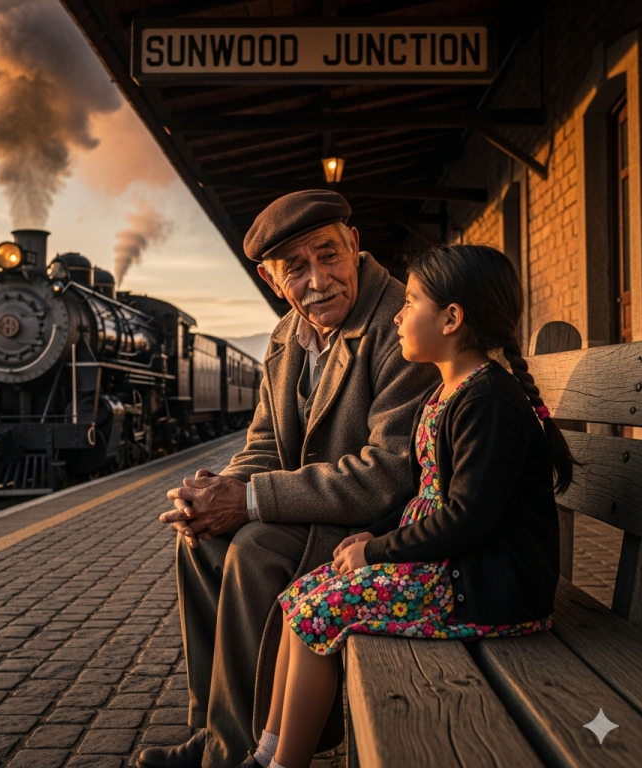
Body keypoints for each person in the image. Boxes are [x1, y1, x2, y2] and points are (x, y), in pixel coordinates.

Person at [240, 243, 575, 768]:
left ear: (451, 319)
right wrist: (372, 536)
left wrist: (378, 554)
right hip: (452, 570)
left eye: (411, 301)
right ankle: (265, 753)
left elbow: (465, 518)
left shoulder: (488, 403)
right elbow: (427, 494)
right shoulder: (447, 394)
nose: (397, 314)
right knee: (297, 596)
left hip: (490, 589)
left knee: (314, 615)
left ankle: (285, 765)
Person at [140, 190, 439, 768]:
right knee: (199, 541)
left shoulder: (402, 324)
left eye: (328, 255)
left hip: (377, 527)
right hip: (317, 513)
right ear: (272, 280)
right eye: (295, 269)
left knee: (253, 547)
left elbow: (390, 474)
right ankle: (215, 728)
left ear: (354, 245)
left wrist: (249, 501)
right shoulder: (285, 338)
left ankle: (233, 753)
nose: (318, 280)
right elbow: (262, 445)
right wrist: (213, 494)